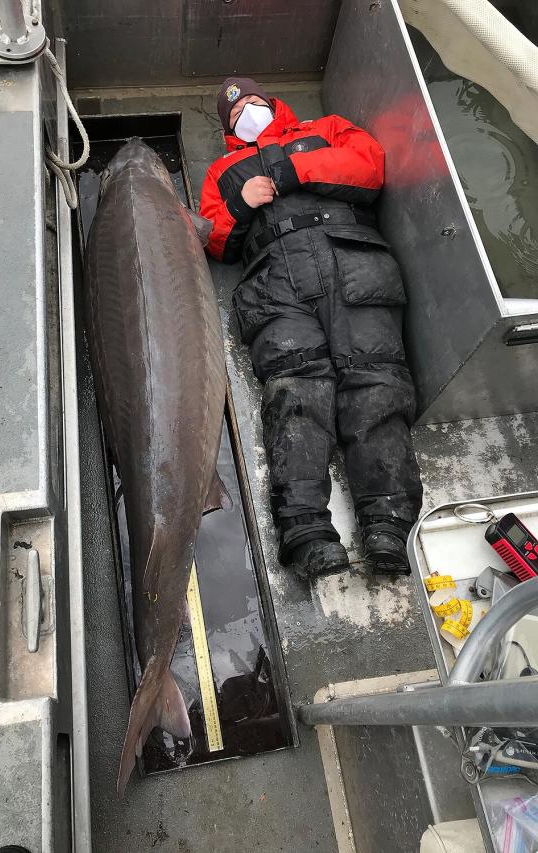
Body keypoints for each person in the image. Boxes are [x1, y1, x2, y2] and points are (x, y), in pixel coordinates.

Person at [200, 77, 423, 579]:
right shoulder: (222, 170)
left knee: (376, 381)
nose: (247, 112)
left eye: (253, 102)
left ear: (273, 103)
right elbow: (214, 238)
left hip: (353, 263)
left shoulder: (325, 129)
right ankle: (305, 531)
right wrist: (242, 205)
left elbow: (369, 167)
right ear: (226, 131)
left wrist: (292, 168)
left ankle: (387, 522)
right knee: (295, 391)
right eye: (235, 115)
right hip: (275, 281)